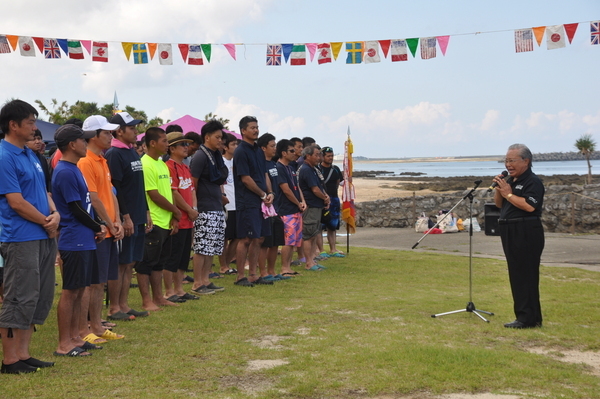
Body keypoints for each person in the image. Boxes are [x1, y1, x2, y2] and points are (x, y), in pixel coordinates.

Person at [0, 100, 59, 374]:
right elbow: (16, 202)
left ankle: (24, 353)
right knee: (18, 296)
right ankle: (11, 359)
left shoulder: (31, 155)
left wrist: (55, 214)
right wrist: (46, 222)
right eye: (31, 123)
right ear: (13, 125)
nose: (35, 128)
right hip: (20, 236)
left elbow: (43, 193)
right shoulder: (4, 155)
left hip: (42, 233)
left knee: (38, 295)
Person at [52, 124, 109, 356]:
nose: (86, 143)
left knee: (80, 290)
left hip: (83, 237)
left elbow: (83, 204)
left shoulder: (74, 168)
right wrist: (98, 225)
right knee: (71, 291)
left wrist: (95, 228)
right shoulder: (65, 171)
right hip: (73, 238)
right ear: (71, 145)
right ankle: (64, 343)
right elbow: (75, 208)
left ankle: (76, 336)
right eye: (82, 140)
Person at [78, 115, 125, 339]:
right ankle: (87, 327)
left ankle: (97, 325)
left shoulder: (102, 159)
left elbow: (110, 193)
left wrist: (117, 221)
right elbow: (93, 199)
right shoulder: (85, 161)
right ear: (93, 136)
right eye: (106, 133)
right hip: (96, 230)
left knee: (100, 281)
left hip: (108, 229)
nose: (111, 136)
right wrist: (108, 223)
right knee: (91, 282)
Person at [493, 143, 545, 329]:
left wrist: (508, 194)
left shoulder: (533, 181)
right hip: (510, 230)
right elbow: (500, 205)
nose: (508, 164)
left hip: (526, 231)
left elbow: (530, 206)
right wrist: (501, 189)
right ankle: (525, 316)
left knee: (526, 274)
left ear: (526, 161)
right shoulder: (512, 182)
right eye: (506, 160)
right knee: (516, 274)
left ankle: (528, 318)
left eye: (512, 160)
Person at [105, 111, 149, 320]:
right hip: (126, 216)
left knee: (130, 263)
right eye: (131, 128)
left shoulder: (132, 151)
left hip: (139, 214)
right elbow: (117, 188)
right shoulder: (114, 153)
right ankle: (114, 307)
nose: (136, 132)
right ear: (119, 131)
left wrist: (146, 212)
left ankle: (124, 304)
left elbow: (138, 186)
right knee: (121, 263)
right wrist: (126, 216)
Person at [137, 127, 181, 310]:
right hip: (153, 222)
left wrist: (173, 216)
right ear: (152, 143)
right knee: (145, 264)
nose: (167, 144)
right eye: (164, 141)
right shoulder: (145, 164)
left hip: (166, 221)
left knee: (159, 263)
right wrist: (176, 211)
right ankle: (146, 300)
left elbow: (168, 193)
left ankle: (158, 297)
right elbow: (153, 195)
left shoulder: (162, 163)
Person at [233, 116, 274, 287]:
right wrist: (262, 195)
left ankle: (253, 274)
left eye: (257, 127)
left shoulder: (258, 150)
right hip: (247, 200)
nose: (256, 130)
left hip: (261, 201)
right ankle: (240, 276)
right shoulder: (241, 151)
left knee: (260, 238)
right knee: (246, 239)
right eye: (252, 127)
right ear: (243, 130)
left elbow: (264, 174)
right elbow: (245, 179)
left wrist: (270, 193)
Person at [190, 120, 228, 294]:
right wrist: (195, 206)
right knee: (202, 246)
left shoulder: (216, 155)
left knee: (212, 245)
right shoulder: (200, 156)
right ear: (207, 137)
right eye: (217, 137)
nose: (221, 140)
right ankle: (197, 282)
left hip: (216, 205)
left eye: (222, 137)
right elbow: (193, 182)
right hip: (204, 206)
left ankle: (206, 279)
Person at [164, 132, 199, 302]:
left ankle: (179, 289)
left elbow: (191, 190)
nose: (186, 147)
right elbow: (173, 193)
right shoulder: (169, 166)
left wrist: (194, 209)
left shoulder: (186, 167)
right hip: (177, 218)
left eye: (187, 144)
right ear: (171, 148)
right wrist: (188, 210)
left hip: (189, 219)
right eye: (182, 144)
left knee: (184, 257)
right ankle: (169, 290)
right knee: (173, 257)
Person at [257, 133, 287, 281]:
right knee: (265, 243)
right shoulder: (260, 164)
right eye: (272, 146)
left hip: (277, 208)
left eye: (275, 145)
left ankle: (272, 271)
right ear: (263, 148)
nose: (274, 148)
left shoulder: (274, 164)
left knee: (275, 242)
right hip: (265, 209)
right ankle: (263, 272)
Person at [275, 139, 306, 277]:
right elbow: (285, 189)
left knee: (294, 240)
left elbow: (296, 186)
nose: (295, 153)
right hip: (286, 209)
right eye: (292, 151)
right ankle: (284, 268)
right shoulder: (279, 167)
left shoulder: (291, 167)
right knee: (288, 240)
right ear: (283, 153)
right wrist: (297, 203)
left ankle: (289, 266)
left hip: (295, 208)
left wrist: (302, 201)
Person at [298, 145, 330, 271]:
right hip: (310, 206)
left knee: (314, 234)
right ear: (308, 156)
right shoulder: (306, 169)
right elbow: (314, 189)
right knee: (308, 234)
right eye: (316, 155)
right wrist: (324, 198)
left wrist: (325, 197)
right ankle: (308, 262)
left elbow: (319, 186)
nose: (319, 157)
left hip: (316, 205)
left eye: (319, 155)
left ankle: (312, 259)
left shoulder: (313, 169)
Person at [218, 133, 240, 275]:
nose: (236, 147)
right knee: (224, 237)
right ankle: (222, 265)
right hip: (226, 204)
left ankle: (228, 261)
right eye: (233, 144)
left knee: (237, 236)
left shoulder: (237, 162)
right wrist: (222, 197)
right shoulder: (220, 162)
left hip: (238, 204)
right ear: (225, 147)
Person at [318, 146, 345, 257]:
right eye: (328, 156)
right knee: (319, 226)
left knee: (332, 225)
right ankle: (320, 250)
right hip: (321, 200)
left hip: (333, 199)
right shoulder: (318, 169)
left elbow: (340, 182)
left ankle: (333, 249)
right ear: (322, 156)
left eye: (332, 156)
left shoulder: (335, 169)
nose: (331, 158)